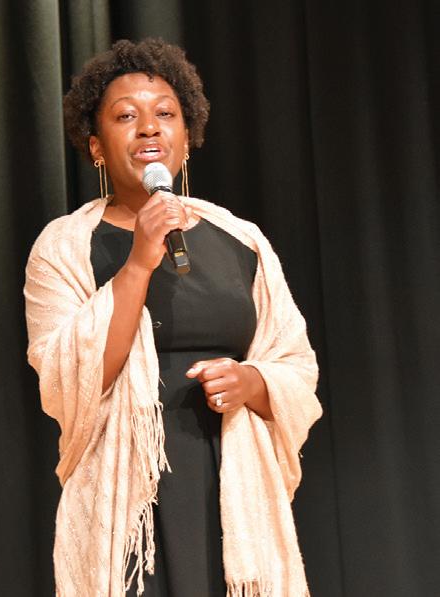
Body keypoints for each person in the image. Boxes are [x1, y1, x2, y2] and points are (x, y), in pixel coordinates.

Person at [24, 38, 322, 597]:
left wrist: (253, 383)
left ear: (187, 138)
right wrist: (139, 260)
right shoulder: (64, 247)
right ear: (96, 146)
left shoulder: (241, 239)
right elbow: (67, 381)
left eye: (165, 115)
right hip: (126, 499)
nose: (148, 129)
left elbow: (297, 366)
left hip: (230, 483)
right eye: (125, 117)